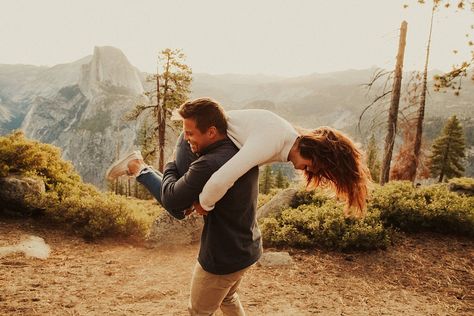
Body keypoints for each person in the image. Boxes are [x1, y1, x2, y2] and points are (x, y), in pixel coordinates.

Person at [108, 98, 262, 315]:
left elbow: (171, 200)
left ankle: (138, 167)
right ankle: (138, 168)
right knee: (228, 297)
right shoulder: (242, 148)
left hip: (222, 258)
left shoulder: (207, 164)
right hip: (250, 247)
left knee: (198, 311)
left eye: (190, 133)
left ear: (211, 132)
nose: (186, 138)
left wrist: (171, 162)